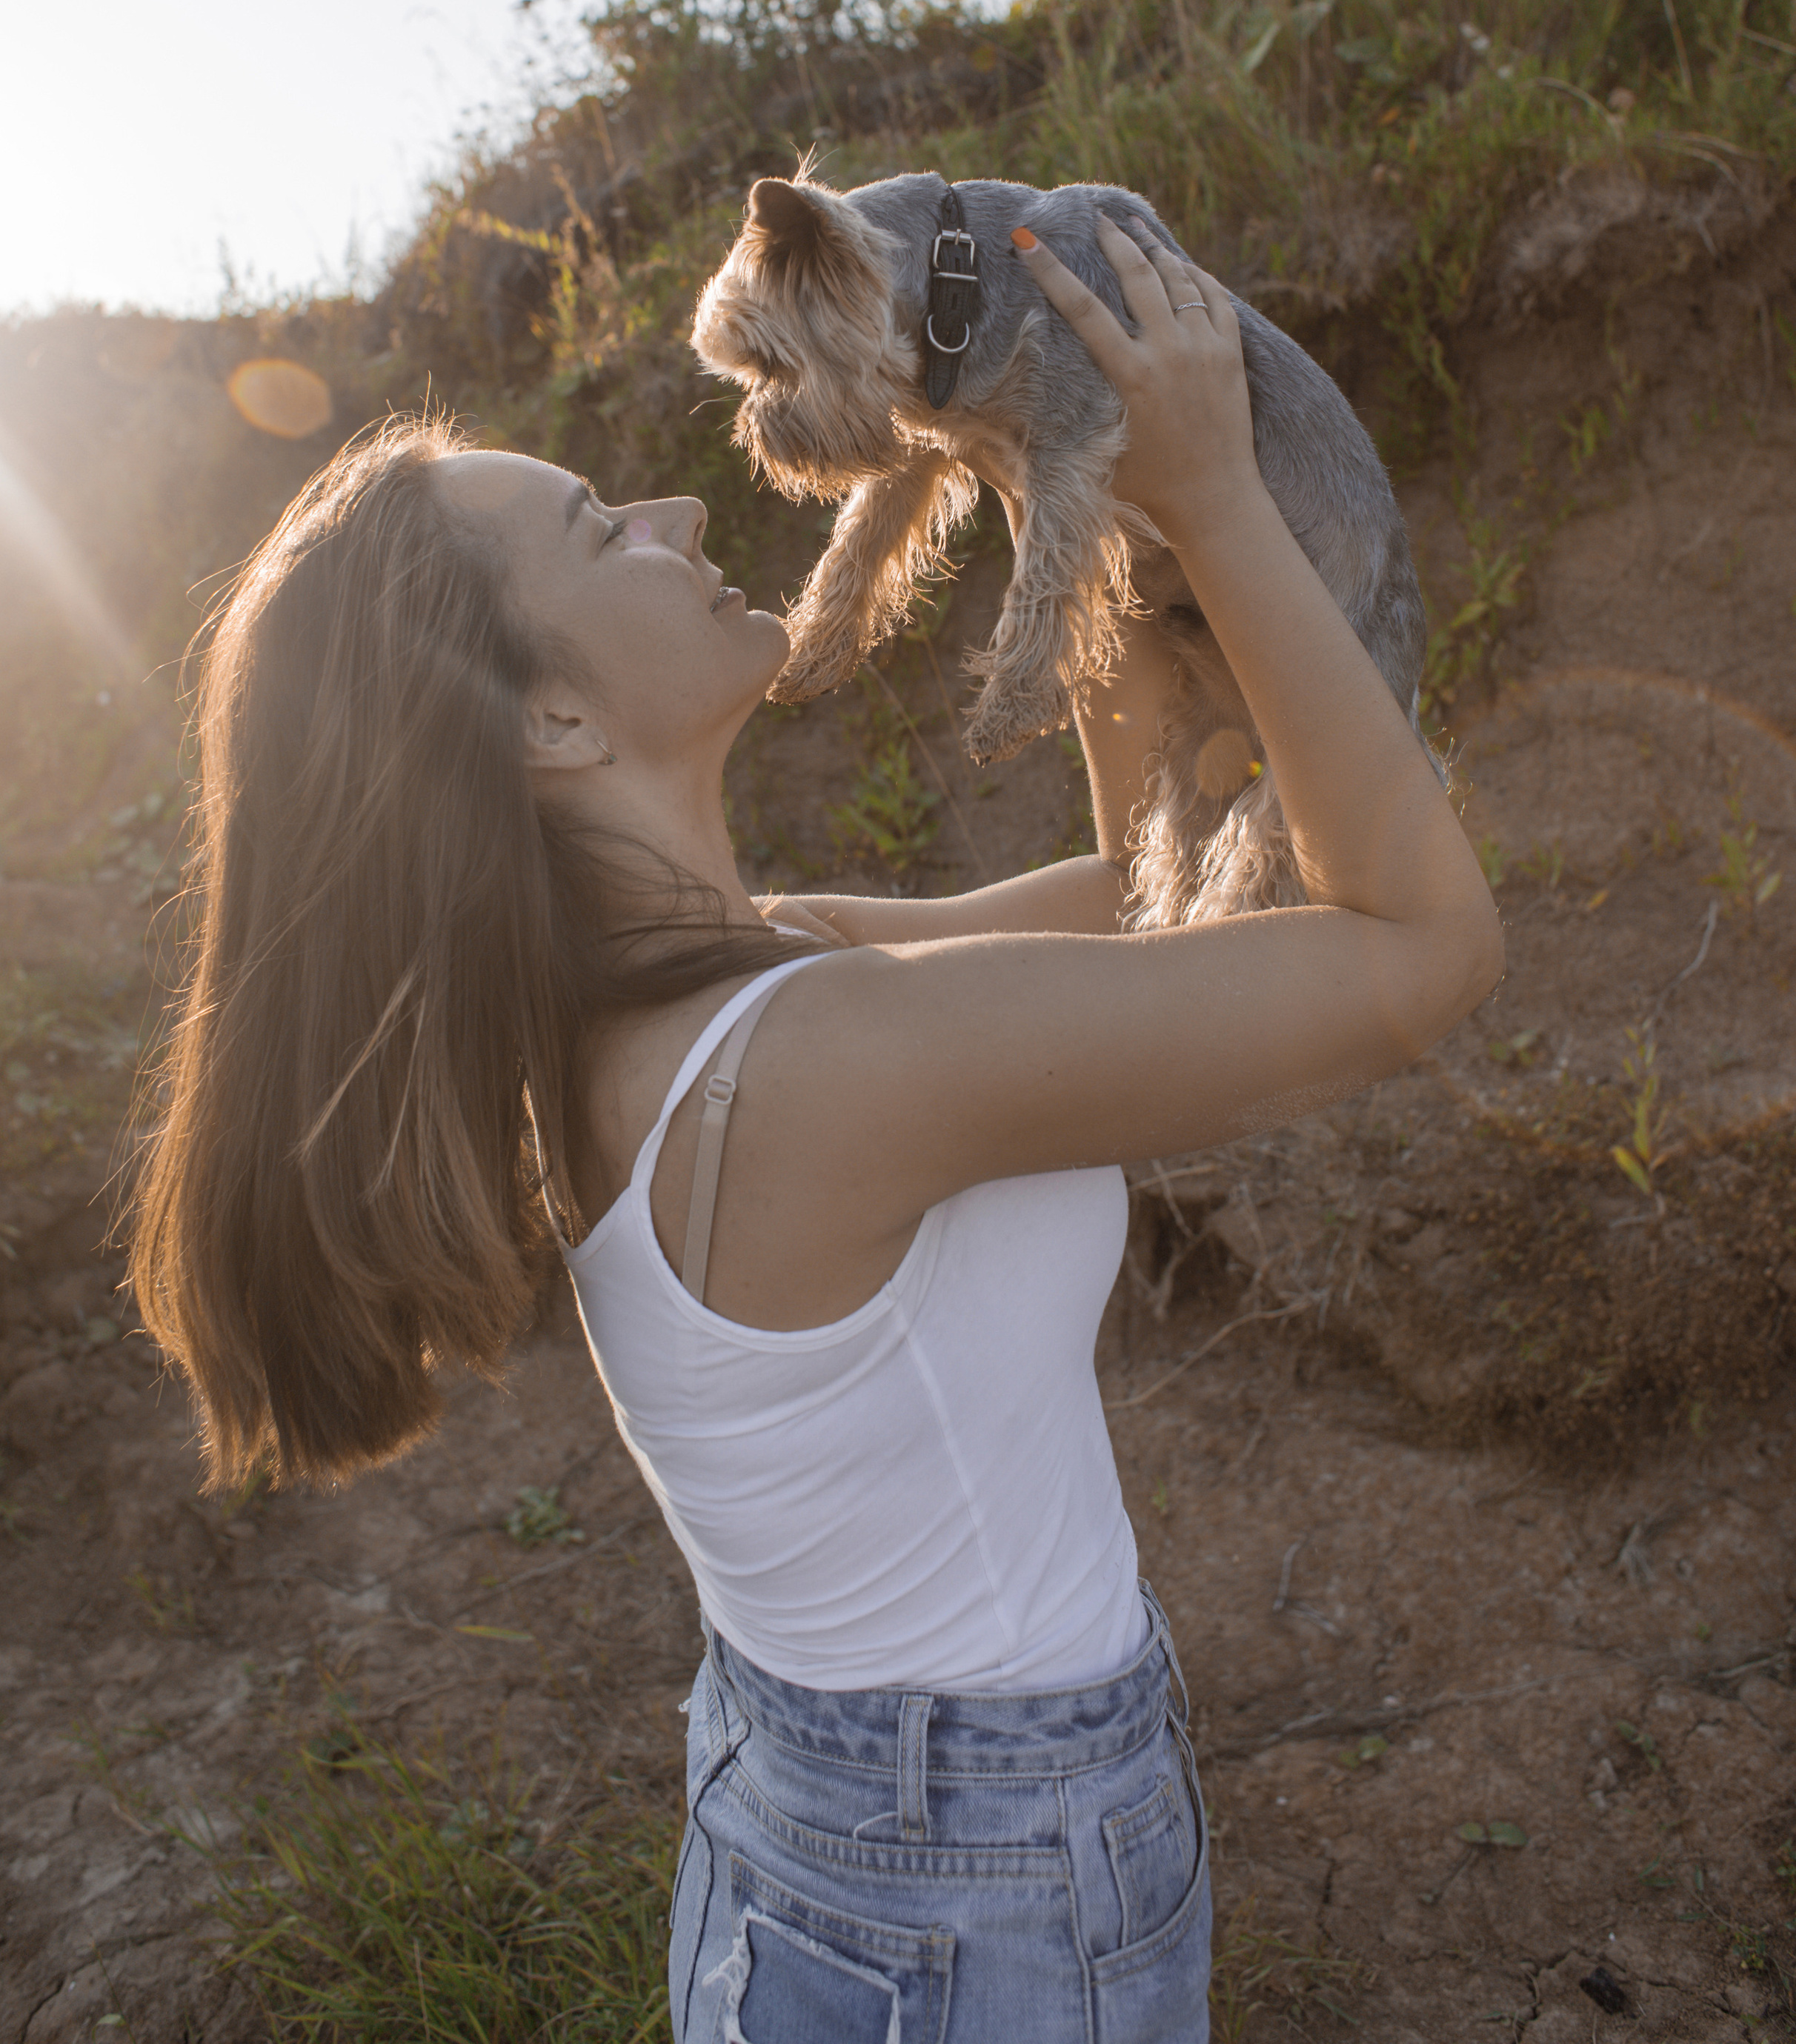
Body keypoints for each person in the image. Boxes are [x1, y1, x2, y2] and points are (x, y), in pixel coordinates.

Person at [130, 223, 1500, 2043]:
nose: (679, 516)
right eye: (598, 529)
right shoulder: (818, 1062)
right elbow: (1421, 951)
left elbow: (1136, 898)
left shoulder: (738, 985)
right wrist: (1221, 505)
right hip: (973, 1888)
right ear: (544, 715)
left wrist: (1056, 457)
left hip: (856, 1838)